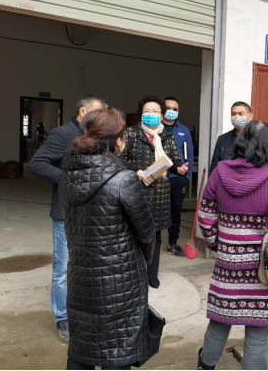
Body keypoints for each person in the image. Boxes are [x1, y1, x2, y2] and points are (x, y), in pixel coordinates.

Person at [197, 121, 268, 371]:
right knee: (257, 332)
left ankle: (206, 365)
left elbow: (205, 214)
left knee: (220, 320)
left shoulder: (219, 172)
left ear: (242, 141)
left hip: (228, 263)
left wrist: (216, 244)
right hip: (267, 266)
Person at [59, 108, 156, 371]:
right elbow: (147, 234)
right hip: (121, 279)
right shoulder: (124, 179)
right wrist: (143, 262)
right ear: (117, 140)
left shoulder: (68, 176)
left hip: (81, 274)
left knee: (82, 346)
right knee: (117, 350)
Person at [30, 95, 107, 344]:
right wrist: (68, 179)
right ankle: (63, 318)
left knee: (88, 267)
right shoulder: (62, 134)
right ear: (82, 111)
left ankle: (84, 312)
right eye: (96, 113)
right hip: (66, 212)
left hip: (93, 213)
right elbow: (38, 163)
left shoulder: (98, 136)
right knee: (63, 269)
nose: (100, 118)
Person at [120, 95, 183, 290]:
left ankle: (151, 275)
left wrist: (179, 168)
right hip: (136, 192)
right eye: (147, 111)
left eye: (155, 111)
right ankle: (134, 275)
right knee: (135, 235)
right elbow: (120, 159)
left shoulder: (167, 136)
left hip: (160, 195)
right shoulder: (131, 133)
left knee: (155, 237)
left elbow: (174, 159)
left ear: (161, 115)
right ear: (141, 114)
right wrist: (135, 170)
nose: (151, 114)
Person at [163, 96, 194, 258]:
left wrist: (186, 176)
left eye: (175, 109)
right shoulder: (155, 128)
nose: (171, 111)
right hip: (158, 177)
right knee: (153, 212)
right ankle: (149, 246)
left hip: (178, 177)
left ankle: (172, 244)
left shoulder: (184, 130)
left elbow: (190, 155)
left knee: (175, 213)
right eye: (168, 108)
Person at [210, 102, 253, 174]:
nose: (237, 117)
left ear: (250, 116)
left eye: (241, 114)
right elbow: (215, 166)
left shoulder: (256, 139)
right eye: (233, 114)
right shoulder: (222, 139)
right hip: (226, 179)